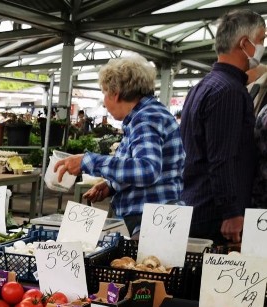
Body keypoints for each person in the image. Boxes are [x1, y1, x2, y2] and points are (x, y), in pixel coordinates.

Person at [54, 56, 184, 237]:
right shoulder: (149, 114)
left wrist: (88, 161)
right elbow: (146, 167)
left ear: (115, 93)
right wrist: (111, 186)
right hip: (157, 220)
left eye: (104, 92)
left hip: (150, 223)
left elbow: (148, 169)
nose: (105, 101)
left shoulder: (144, 119)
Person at [180, 9, 265, 244]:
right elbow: (222, 158)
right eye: (261, 40)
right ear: (245, 43)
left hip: (197, 203)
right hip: (214, 216)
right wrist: (231, 212)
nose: (262, 47)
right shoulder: (228, 92)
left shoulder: (202, 87)